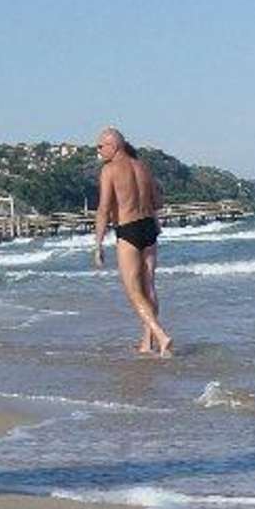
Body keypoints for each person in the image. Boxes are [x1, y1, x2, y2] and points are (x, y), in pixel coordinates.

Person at [90, 125, 172, 355]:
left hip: (129, 229)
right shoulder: (142, 166)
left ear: (114, 146)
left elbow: (103, 208)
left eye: (100, 146)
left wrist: (98, 244)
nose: (98, 151)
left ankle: (161, 335)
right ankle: (147, 343)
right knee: (149, 286)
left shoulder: (109, 170)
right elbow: (158, 202)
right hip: (149, 228)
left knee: (134, 291)